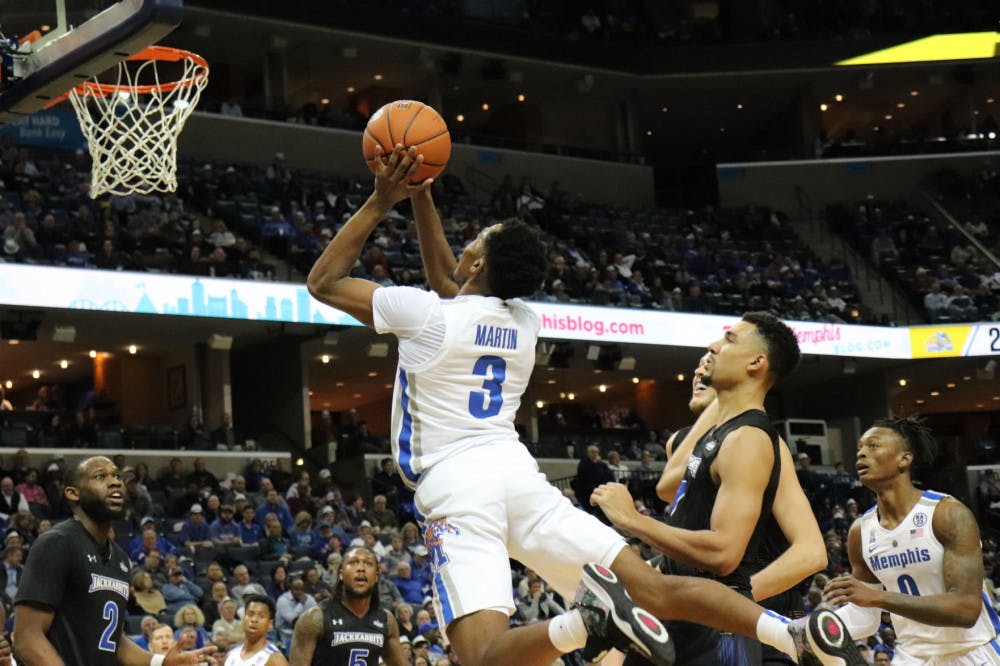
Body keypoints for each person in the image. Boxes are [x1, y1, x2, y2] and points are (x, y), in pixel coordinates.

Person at [305, 144, 860, 666]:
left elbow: (324, 281)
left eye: (477, 238)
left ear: (476, 265)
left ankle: (586, 627)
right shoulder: (524, 321)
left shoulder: (425, 315)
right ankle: (788, 634)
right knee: (655, 589)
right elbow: (453, 284)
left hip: (456, 484)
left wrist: (384, 199)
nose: (468, 243)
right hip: (517, 475)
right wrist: (422, 195)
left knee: (478, 653)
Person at [647, 350, 828, 665]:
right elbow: (666, 488)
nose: (700, 368)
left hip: (767, 610)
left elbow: (811, 554)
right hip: (700, 615)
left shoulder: (759, 441)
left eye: (711, 363)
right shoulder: (681, 444)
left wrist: (727, 602)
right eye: (699, 366)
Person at [823, 417, 1000, 664]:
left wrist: (879, 597)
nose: (861, 453)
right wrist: (814, 626)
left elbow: (965, 609)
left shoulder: (946, 514)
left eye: (873, 446)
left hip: (971, 652)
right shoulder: (859, 532)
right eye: (860, 448)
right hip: (912, 656)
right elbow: (865, 618)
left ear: (904, 459)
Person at [12, 455, 216, 665]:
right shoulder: (56, 543)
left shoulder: (119, 557)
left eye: (117, 476)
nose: (115, 482)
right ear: (73, 494)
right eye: (100, 477)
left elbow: (112, 641)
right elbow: (27, 638)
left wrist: (160, 662)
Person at [288, 546, 408, 665]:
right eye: (353, 563)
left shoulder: (386, 620)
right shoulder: (315, 618)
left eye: (368, 563)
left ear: (376, 576)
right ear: (341, 574)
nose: (361, 568)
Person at [222, 594, 286, 666]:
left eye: (261, 616)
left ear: (270, 623)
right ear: (243, 618)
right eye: (250, 614)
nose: (254, 620)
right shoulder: (230, 655)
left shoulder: (276, 660)